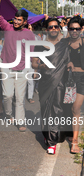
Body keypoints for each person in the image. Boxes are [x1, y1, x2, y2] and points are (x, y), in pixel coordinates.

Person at [0, 0, 35, 132]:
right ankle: (9, 114)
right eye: (15, 18)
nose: (16, 21)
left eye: (19, 19)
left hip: (22, 70)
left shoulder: (29, 34)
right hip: (6, 67)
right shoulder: (7, 27)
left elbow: (31, 53)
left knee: (19, 97)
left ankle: (20, 121)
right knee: (7, 95)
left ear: (24, 21)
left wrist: (31, 71)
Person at [32, 18, 69, 155]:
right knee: (45, 109)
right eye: (50, 27)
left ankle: (52, 142)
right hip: (45, 82)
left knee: (56, 109)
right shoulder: (40, 45)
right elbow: (33, 63)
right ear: (46, 29)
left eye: (55, 27)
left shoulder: (65, 43)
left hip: (60, 81)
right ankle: (48, 135)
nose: (53, 29)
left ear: (59, 28)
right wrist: (41, 66)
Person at [66, 16, 84, 153]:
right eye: (72, 28)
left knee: (76, 108)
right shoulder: (64, 44)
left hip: (82, 79)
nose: (74, 31)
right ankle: (71, 135)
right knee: (69, 108)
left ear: (81, 29)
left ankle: (75, 142)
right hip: (68, 79)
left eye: (77, 29)